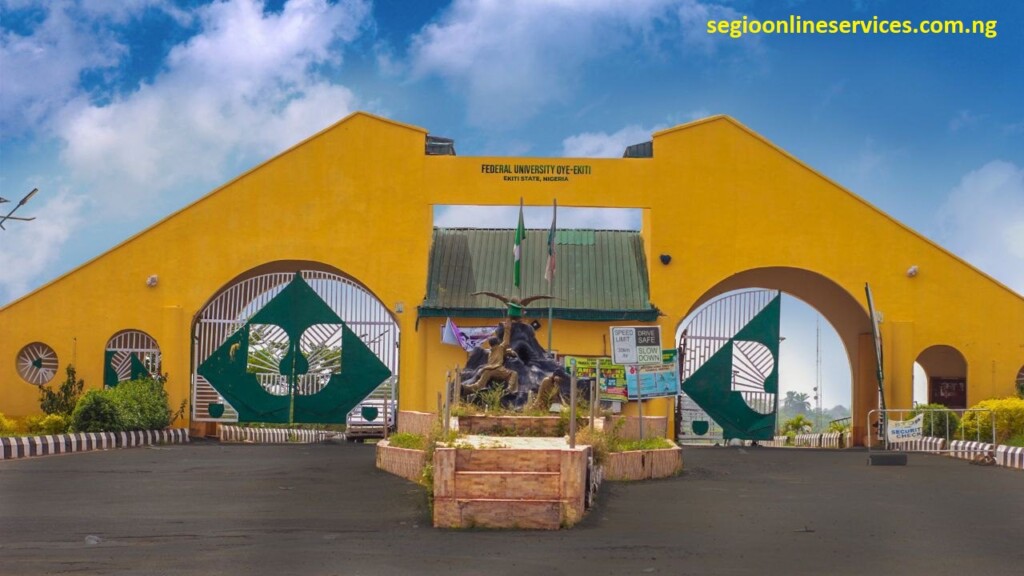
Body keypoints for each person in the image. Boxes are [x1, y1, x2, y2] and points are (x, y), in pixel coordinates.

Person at [462, 316, 519, 394]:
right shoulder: (500, 348)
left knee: (479, 384)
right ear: (498, 343)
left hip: (488, 369)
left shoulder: (490, 351)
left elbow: (505, 353)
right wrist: (507, 326)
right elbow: (506, 340)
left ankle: (466, 388)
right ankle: (510, 389)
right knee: (513, 374)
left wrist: (509, 352)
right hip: (499, 370)